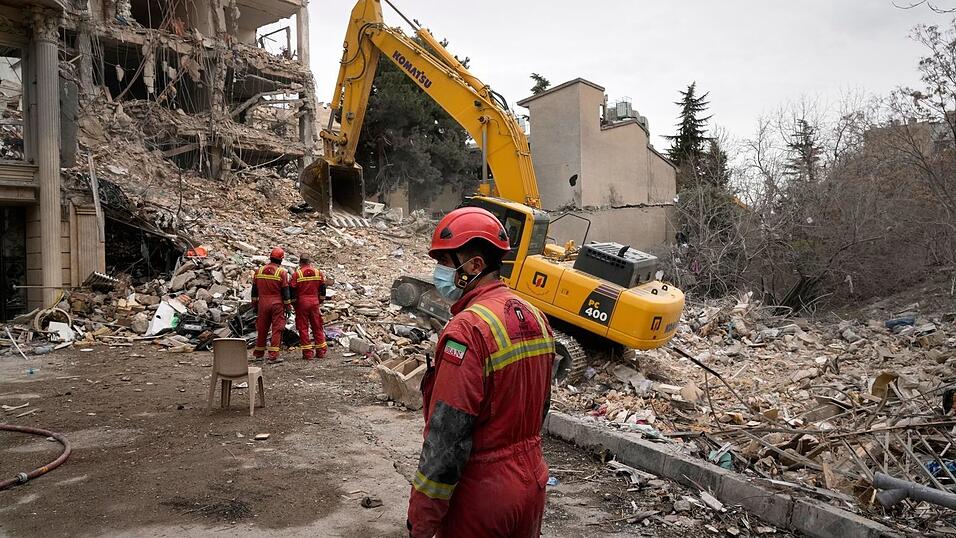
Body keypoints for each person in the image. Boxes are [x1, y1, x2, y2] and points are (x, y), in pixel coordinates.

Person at [407, 207, 555, 537]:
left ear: (473, 266)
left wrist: (422, 519)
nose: (438, 272)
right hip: (532, 483)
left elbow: (447, 437)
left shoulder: (468, 329)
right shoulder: (535, 316)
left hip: (482, 495)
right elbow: (541, 406)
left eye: (445, 262)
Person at [251, 247, 291, 363]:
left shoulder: (259, 271)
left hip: (262, 303)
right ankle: (273, 355)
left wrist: (255, 305)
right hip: (276, 304)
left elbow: (254, 291)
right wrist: (288, 307)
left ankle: (258, 353)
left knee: (262, 328)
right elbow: (285, 292)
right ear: (281, 259)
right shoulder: (281, 272)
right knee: (277, 329)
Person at [290, 253, 327, 360]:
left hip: (302, 303)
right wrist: (319, 301)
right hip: (314, 302)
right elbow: (323, 288)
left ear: (300, 262)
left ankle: (308, 353)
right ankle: (321, 352)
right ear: (310, 262)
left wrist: (294, 304)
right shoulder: (318, 273)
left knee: (303, 328)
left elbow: (292, 290)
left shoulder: (297, 274)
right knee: (317, 326)